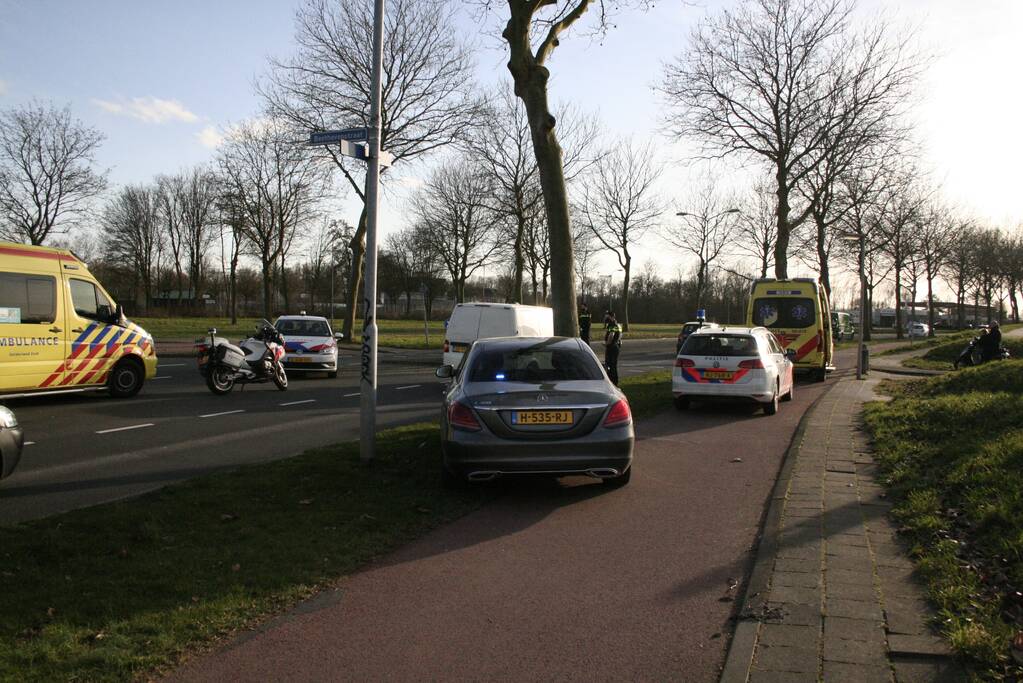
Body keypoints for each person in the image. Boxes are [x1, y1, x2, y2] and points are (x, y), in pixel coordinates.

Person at [603, 311, 622, 385]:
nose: (606, 318)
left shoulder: (612, 324)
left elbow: (611, 335)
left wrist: (606, 343)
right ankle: (615, 382)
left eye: (607, 316)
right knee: (614, 365)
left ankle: (612, 382)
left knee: (610, 366)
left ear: (610, 317)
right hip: (616, 346)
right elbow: (620, 336)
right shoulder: (618, 325)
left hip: (611, 347)